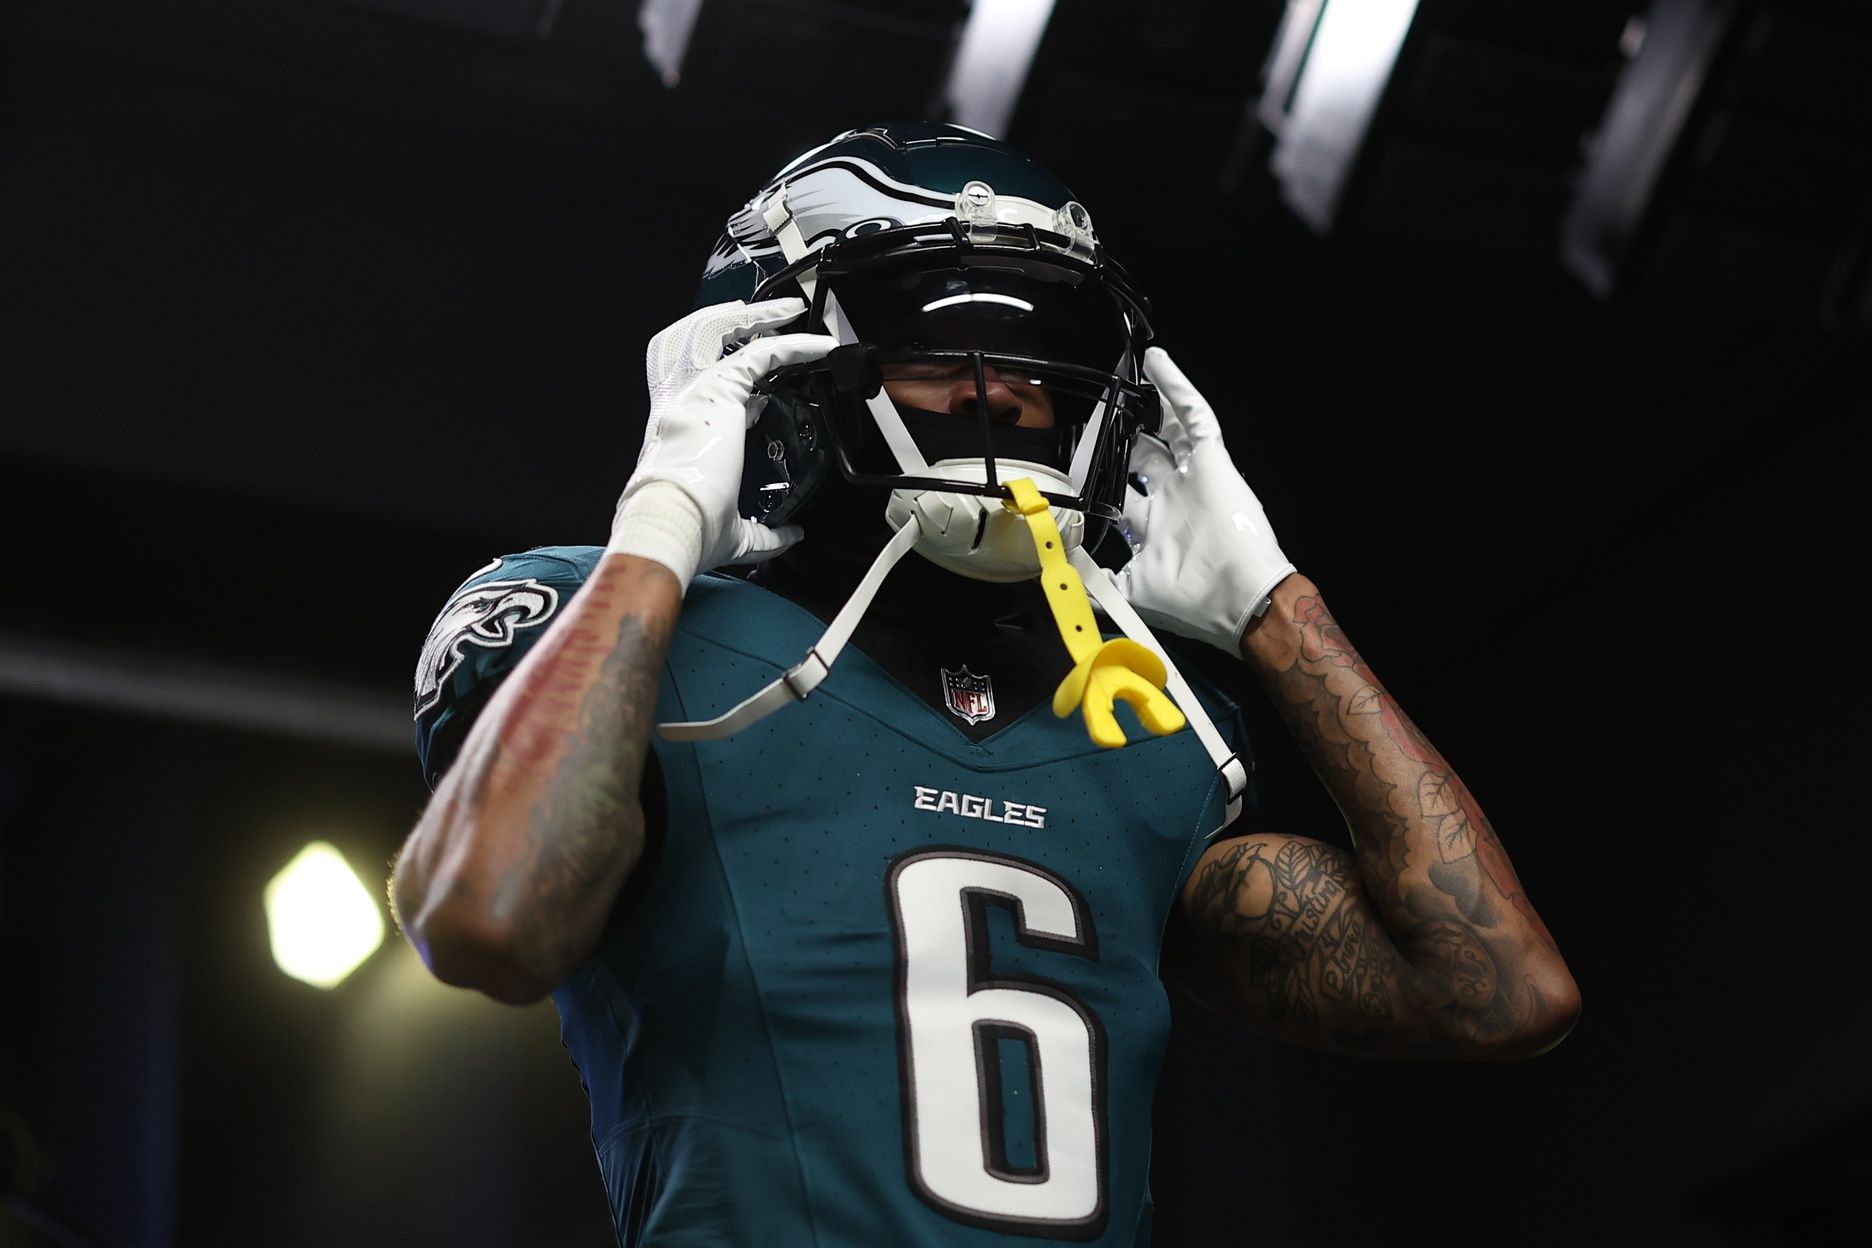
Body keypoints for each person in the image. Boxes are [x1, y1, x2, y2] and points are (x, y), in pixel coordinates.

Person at [390, 122, 1579, 1246]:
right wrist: (656, 534)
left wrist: (1277, 609)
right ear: (760, 363)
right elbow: (490, 918)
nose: (997, 389)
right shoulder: (606, 630)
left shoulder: (1138, 715)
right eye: (927, 341)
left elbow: (1497, 989)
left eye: (1037, 356)